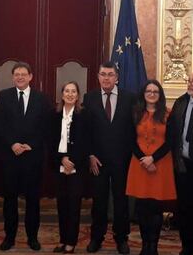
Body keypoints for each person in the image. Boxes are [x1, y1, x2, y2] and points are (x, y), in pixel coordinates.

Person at [0, 61, 50, 251]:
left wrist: (31, 145)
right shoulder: (4, 96)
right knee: (9, 200)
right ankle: (9, 237)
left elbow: (46, 127)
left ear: (30, 77)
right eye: (16, 74)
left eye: (23, 74)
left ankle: (32, 237)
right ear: (13, 77)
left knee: (33, 200)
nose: (20, 77)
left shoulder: (41, 99)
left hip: (32, 158)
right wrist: (13, 144)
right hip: (10, 157)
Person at [83, 61, 136, 254]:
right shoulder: (89, 98)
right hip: (98, 161)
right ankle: (97, 238)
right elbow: (85, 131)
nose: (106, 78)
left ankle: (121, 238)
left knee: (121, 202)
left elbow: (133, 130)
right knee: (99, 202)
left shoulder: (130, 98)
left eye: (110, 74)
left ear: (117, 77)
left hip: (123, 160)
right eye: (103, 74)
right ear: (98, 77)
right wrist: (89, 154)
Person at [126, 79, 176, 255]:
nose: (152, 94)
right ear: (144, 94)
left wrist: (153, 159)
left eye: (155, 91)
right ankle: (144, 246)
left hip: (160, 165)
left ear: (160, 95)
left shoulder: (168, 114)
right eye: (149, 91)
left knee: (155, 208)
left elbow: (170, 142)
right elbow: (131, 140)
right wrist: (144, 159)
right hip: (140, 165)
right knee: (141, 207)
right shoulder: (136, 114)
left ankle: (153, 247)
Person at [49, 82, 89, 254]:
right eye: (67, 91)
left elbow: (86, 143)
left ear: (78, 95)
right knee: (62, 205)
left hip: (77, 167)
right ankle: (63, 240)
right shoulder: (54, 115)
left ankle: (71, 242)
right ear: (62, 94)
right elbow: (49, 141)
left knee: (74, 206)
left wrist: (72, 161)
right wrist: (62, 159)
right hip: (59, 166)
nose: (70, 94)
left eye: (74, 91)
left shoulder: (84, 116)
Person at [167, 73, 193, 255]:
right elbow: (171, 131)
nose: (190, 83)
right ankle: (187, 246)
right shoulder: (181, 102)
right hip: (183, 164)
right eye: (190, 80)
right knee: (184, 207)